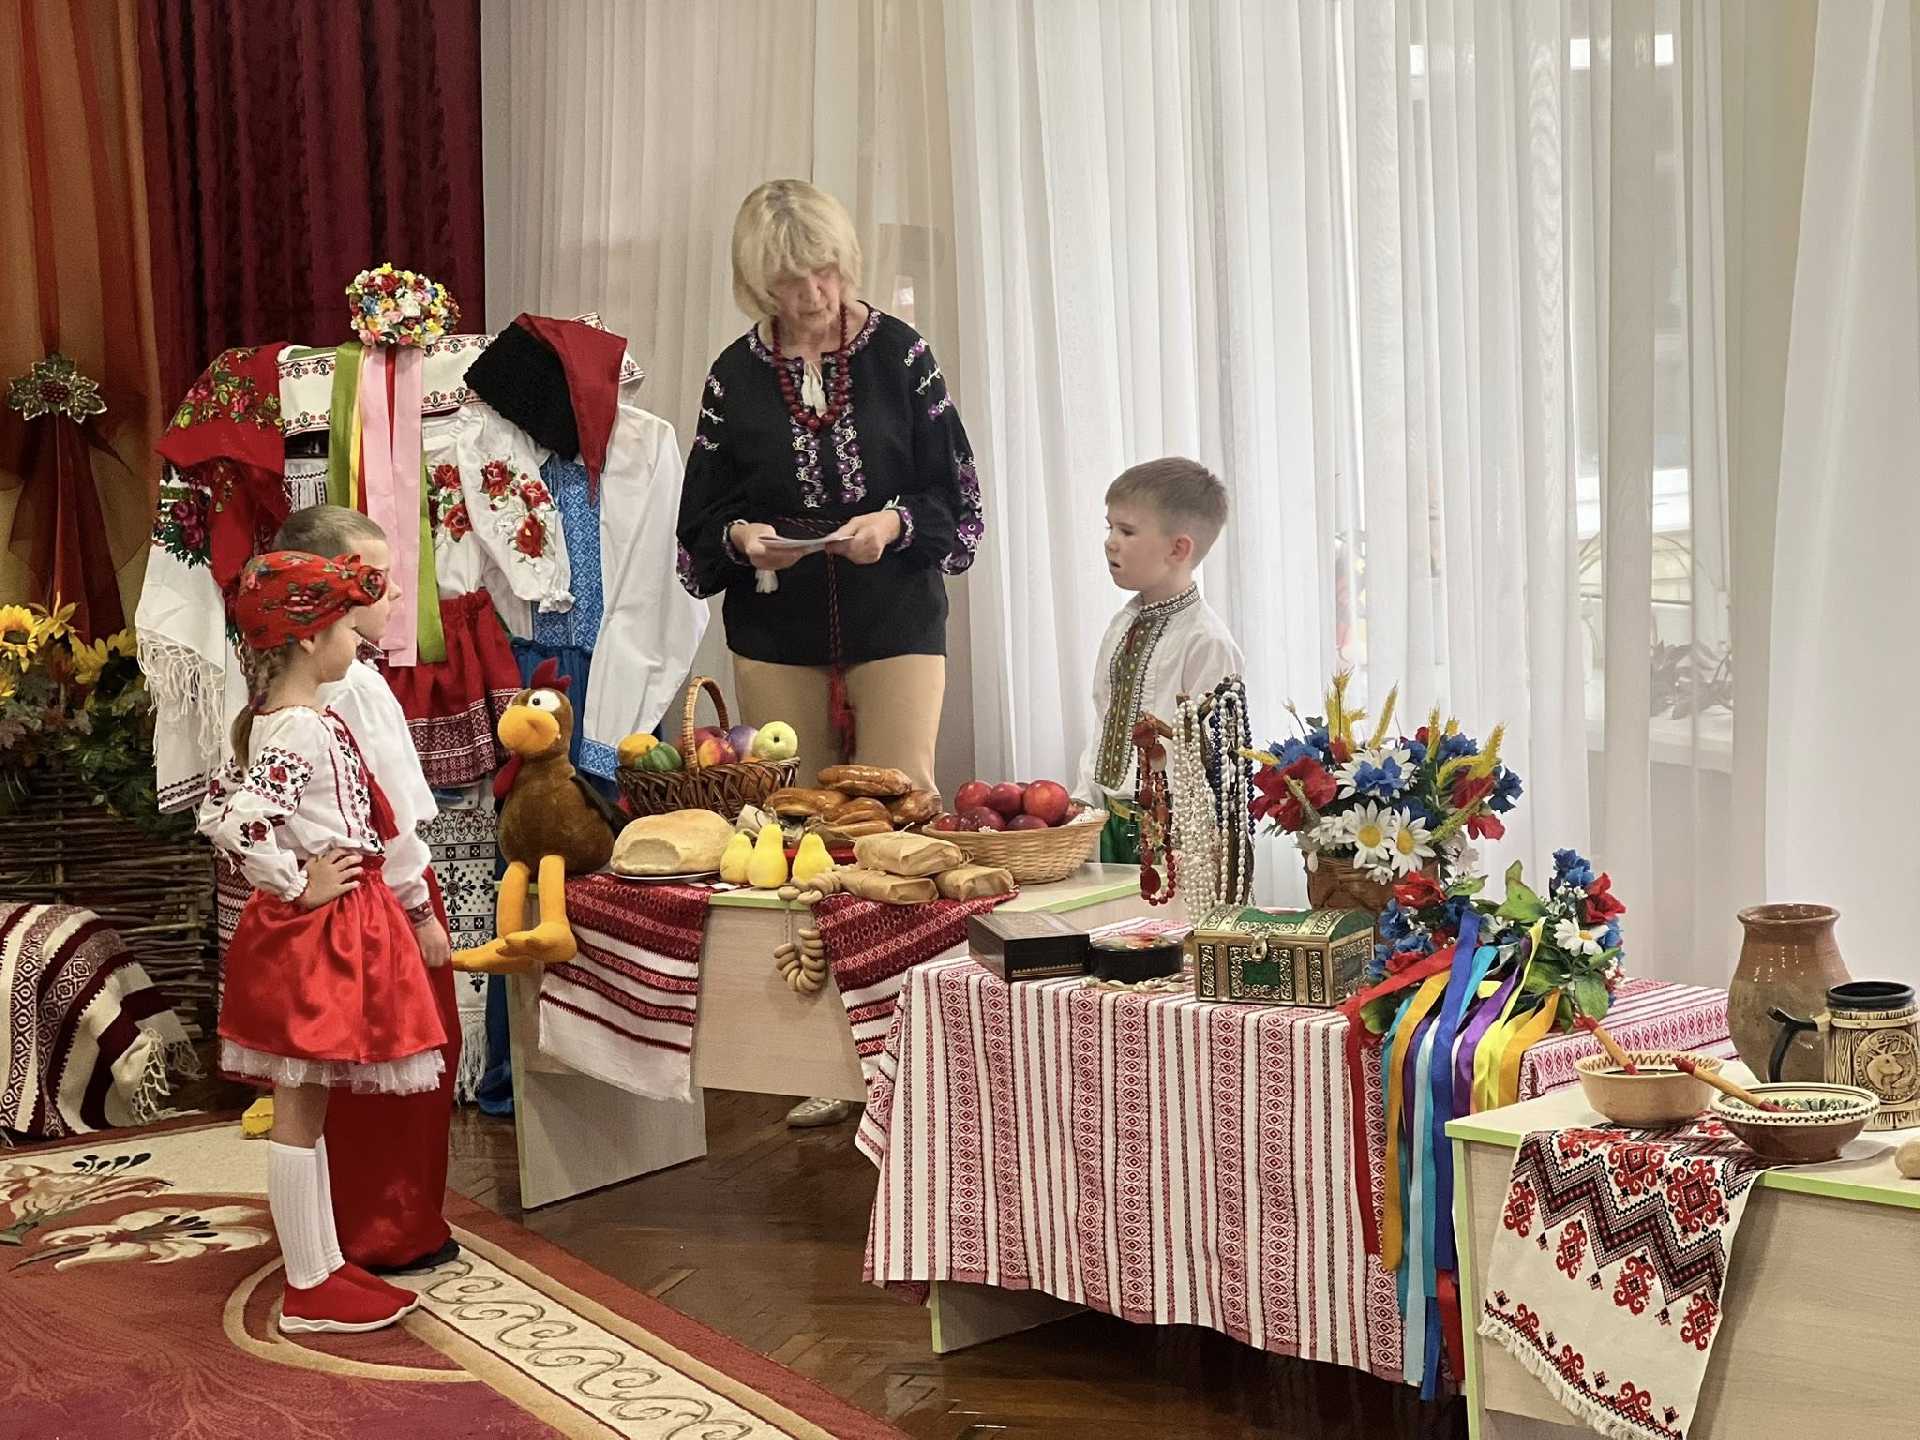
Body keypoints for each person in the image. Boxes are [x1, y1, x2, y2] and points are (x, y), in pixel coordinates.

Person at [677, 178, 984, 1129]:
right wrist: (743, 540)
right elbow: (700, 521)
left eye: (824, 273)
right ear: (755, 283)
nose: (811, 295)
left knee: (904, 812)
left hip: (895, 610)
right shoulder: (732, 377)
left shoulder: (902, 354)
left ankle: (927, 1041)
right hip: (777, 623)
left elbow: (955, 495)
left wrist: (891, 523)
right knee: (793, 828)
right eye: (788, 282)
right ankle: (830, 1054)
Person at [200, 551, 447, 1333]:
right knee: (300, 1104)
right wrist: (293, 882)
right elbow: (235, 822)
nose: (358, 641)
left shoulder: (298, 719)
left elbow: (232, 805)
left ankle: (324, 1262)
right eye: (346, 627)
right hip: (316, 936)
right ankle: (310, 1284)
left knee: (307, 1104)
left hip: (332, 926)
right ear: (308, 639)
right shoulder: (300, 728)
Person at [268, 504, 463, 1274]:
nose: (394, 593)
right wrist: (418, 908)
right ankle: (386, 1227)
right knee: (402, 1060)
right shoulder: (342, 690)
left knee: (366, 1064)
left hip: (360, 891)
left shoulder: (336, 678)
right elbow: (382, 811)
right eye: (375, 580)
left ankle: (364, 1220)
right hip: (380, 893)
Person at [1071, 458, 1244, 864]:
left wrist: (1196, 847)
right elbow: (1105, 720)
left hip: (1174, 838)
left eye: (1127, 531)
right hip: (1110, 823)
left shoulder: (1206, 642)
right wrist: (1084, 801)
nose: (1111, 542)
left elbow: (1215, 759)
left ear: (1178, 548)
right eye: (1109, 527)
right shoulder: (1122, 624)